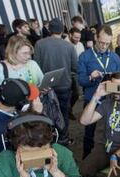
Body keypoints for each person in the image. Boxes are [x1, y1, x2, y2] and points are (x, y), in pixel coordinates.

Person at [78, 25, 120, 158]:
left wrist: (115, 85)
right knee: (89, 131)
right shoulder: (85, 56)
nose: (104, 46)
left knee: (112, 130)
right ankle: (86, 157)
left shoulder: (115, 57)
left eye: (107, 43)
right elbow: (81, 81)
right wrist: (91, 77)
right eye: (101, 42)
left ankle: (110, 157)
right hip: (92, 99)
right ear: (96, 38)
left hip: (111, 100)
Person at [34, 18, 78, 146]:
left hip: (46, 87)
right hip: (64, 85)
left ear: (49, 29)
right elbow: (75, 67)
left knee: (46, 114)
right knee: (63, 114)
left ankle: (49, 140)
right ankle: (63, 139)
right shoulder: (69, 46)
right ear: (63, 30)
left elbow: (36, 65)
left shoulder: (39, 44)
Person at [0, 79, 42, 156]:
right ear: (22, 106)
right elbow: (6, 158)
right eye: (30, 100)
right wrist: (37, 115)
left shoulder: (3, 99)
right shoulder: (0, 131)